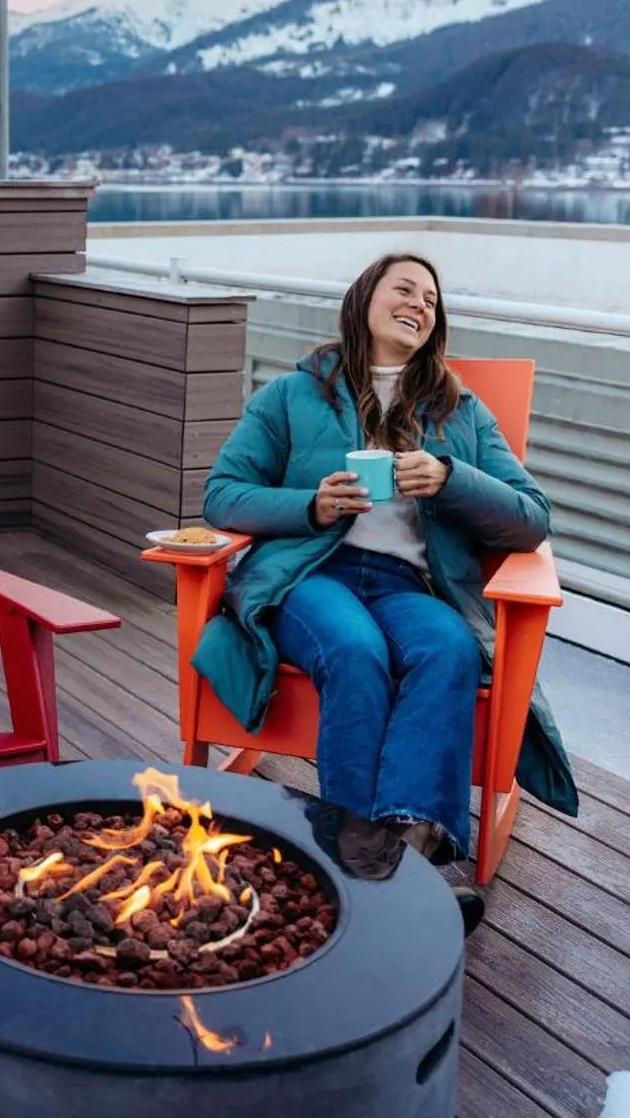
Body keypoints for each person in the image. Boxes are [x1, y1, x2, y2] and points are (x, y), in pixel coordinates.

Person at [191, 252, 578, 871]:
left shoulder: (461, 410)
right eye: (405, 289)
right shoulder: (295, 393)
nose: (419, 306)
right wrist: (311, 508)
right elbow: (223, 494)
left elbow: (533, 517)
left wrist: (452, 478)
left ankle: (409, 843)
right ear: (365, 299)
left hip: (409, 585)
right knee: (353, 649)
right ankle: (357, 848)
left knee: (449, 647)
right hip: (310, 575)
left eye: (431, 301)